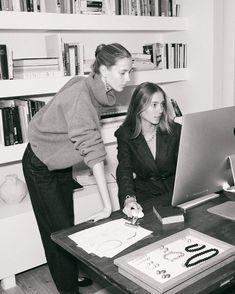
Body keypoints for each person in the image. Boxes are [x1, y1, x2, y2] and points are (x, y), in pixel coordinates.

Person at [22, 43, 132, 294]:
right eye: (123, 72)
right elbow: (93, 152)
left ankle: (68, 275)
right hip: (40, 164)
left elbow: (61, 115)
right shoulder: (82, 98)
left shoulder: (89, 85)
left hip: (58, 162)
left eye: (130, 72)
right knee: (57, 233)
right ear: (104, 70)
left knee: (67, 227)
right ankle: (68, 290)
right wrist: (107, 206)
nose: (128, 78)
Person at [115, 82, 181, 219]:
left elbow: (187, 164)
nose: (160, 110)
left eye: (162, 104)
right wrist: (129, 199)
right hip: (145, 198)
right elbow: (124, 170)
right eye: (154, 105)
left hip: (175, 194)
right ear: (139, 106)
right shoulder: (125, 134)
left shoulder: (174, 130)